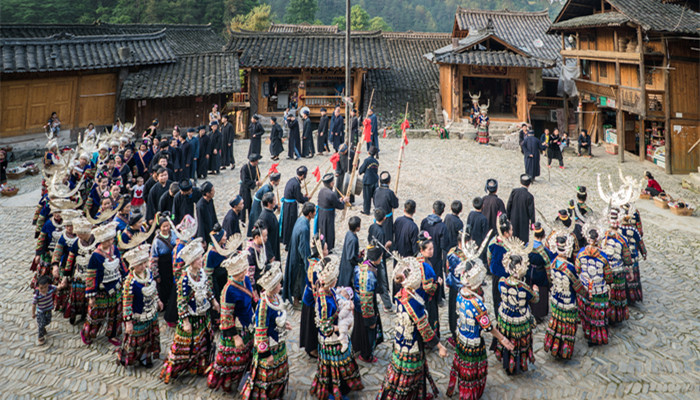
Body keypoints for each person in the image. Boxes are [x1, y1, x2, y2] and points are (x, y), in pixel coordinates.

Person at [377, 257, 447, 399]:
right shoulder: (413, 303)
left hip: (401, 342)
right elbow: (425, 329)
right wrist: (439, 346)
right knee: (410, 376)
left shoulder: (402, 294)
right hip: (412, 344)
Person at [446, 252, 514, 399]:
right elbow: (488, 327)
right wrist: (503, 339)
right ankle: (470, 394)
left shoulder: (461, 293)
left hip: (461, 337)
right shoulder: (477, 305)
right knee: (472, 371)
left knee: (462, 365)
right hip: (473, 343)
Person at [160, 238, 219, 383]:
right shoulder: (184, 280)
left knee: (204, 342)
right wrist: (185, 321)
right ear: (192, 261)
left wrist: (214, 301)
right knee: (185, 345)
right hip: (191, 318)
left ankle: (200, 367)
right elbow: (181, 302)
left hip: (203, 316)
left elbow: (207, 288)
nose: (201, 260)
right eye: (199, 259)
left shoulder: (201, 273)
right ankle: (174, 369)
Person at [311, 255, 364, 400]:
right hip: (331, 341)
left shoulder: (330, 292)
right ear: (329, 282)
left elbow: (338, 302)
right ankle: (333, 392)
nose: (336, 281)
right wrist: (339, 328)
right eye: (334, 279)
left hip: (338, 335)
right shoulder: (323, 301)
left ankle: (342, 389)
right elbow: (324, 327)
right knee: (334, 368)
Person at [240, 264, 291, 400]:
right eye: (279, 283)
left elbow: (275, 318)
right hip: (269, 346)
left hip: (278, 342)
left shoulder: (274, 298)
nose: (281, 285)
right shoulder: (263, 305)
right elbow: (261, 332)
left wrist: (284, 324)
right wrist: (266, 354)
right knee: (267, 375)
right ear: (273, 286)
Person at [207, 251, 255, 392]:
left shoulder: (245, 280)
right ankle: (230, 382)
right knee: (235, 359)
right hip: (237, 329)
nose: (242, 275)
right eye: (239, 273)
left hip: (248, 324)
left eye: (243, 271)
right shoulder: (228, 291)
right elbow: (226, 316)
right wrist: (235, 336)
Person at [494, 235, 539, 375]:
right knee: (519, 342)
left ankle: (507, 362)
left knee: (507, 338)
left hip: (505, 316)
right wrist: (536, 291)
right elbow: (534, 299)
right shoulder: (523, 287)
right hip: (520, 319)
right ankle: (519, 364)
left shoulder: (502, 281)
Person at [118, 244, 162, 368]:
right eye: (140, 265)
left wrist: (158, 300)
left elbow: (153, 289)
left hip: (151, 311)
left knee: (149, 337)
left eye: (144, 263)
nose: (143, 267)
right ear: (133, 266)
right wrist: (128, 322)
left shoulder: (149, 273)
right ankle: (129, 357)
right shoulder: (130, 282)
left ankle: (146, 358)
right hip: (138, 315)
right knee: (137, 339)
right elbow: (126, 303)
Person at [543, 235, 585, 360]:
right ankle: (564, 350)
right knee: (567, 325)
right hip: (568, 301)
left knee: (556, 322)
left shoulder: (553, 263)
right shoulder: (569, 268)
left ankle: (554, 346)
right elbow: (577, 287)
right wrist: (586, 293)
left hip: (556, 298)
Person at [80, 222, 122, 346]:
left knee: (116, 314)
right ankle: (88, 332)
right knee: (96, 314)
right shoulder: (96, 256)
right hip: (101, 290)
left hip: (116, 287)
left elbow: (121, 266)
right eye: (108, 240)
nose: (111, 242)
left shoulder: (115, 250)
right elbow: (91, 276)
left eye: (112, 239)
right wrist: (91, 295)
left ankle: (113, 334)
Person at [575, 223, 613, 345]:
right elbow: (608, 276)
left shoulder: (581, 253)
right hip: (599, 289)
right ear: (597, 239)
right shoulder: (603, 256)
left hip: (585, 287)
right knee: (598, 314)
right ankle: (597, 336)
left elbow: (577, 269)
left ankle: (587, 333)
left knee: (586, 311)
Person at [351, 245, 384, 363]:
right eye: (380, 256)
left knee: (359, 327)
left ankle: (356, 346)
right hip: (365, 305)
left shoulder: (362, 266)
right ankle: (366, 354)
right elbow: (366, 298)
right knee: (369, 330)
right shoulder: (369, 275)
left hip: (357, 302)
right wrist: (370, 318)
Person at [602, 208, 633, 324]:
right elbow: (627, 257)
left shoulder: (602, 238)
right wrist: (630, 271)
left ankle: (607, 315)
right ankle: (616, 317)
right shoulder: (622, 240)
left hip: (606, 271)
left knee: (608, 294)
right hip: (618, 270)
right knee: (617, 294)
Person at [300, 237, 329, 357]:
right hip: (312, 300)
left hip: (312, 297)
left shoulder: (317, 261)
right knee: (311, 326)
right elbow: (316, 287)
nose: (327, 251)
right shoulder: (315, 267)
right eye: (326, 249)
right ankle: (311, 348)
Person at [283, 202, 314, 308]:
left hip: (294, 252)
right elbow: (303, 248)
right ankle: (296, 301)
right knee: (298, 278)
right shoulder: (304, 228)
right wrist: (307, 263)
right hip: (298, 258)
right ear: (310, 214)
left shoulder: (301, 219)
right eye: (314, 211)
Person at [64, 217, 94, 325]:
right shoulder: (77, 243)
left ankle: (88, 316)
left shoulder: (97, 242)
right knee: (77, 298)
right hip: (79, 276)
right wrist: (66, 275)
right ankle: (74, 316)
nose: (78, 236)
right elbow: (70, 259)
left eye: (80, 234)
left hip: (92, 277)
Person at [420, 201, 450, 303]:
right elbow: (444, 245)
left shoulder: (424, 222)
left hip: (425, 254)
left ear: (433, 210)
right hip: (436, 255)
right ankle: (437, 298)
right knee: (436, 275)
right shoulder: (442, 226)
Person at [527, 222, 554, 322]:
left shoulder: (527, 246)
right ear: (543, 236)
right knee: (541, 293)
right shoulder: (544, 251)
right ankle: (538, 314)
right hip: (540, 273)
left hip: (529, 272)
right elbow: (548, 265)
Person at [367, 209, 393, 311]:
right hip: (378, 260)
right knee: (382, 283)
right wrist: (387, 246)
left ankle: (372, 299)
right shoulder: (381, 232)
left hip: (370, 256)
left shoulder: (372, 227)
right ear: (384, 218)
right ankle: (388, 305)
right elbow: (381, 249)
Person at [150, 215, 177, 312]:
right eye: (164, 226)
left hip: (173, 264)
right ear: (160, 227)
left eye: (168, 226)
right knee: (164, 287)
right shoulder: (157, 240)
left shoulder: (173, 234)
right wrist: (156, 274)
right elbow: (153, 258)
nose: (166, 228)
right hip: (163, 267)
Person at [621, 208, 646, 304]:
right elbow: (640, 241)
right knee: (633, 277)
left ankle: (624, 295)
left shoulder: (618, 229)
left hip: (623, 257)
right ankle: (632, 297)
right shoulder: (634, 230)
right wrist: (644, 253)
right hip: (633, 255)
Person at [315, 173, 347, 250]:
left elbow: (332, 202)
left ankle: (322, 243)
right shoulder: (331, 194)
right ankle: (327, 247)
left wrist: (339, 200)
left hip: (321, 213)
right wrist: (344, 201)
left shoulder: (321, 191)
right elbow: (339, 206)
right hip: (328, 215)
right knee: (328, 231)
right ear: (331, 183)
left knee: (322, 229)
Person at [487, 215, 511, 316]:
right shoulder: (510, 246)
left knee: (496, 297)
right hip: (506, 275)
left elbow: (489, 258)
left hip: (496, 274)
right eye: (511, 230)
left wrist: (492, 268)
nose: (512, 232)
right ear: (505, 233)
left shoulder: (492, 242)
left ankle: (498, 317)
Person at [280, 167, 309, 248]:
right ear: (303, 175)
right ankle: (289, 244)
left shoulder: (292, 180)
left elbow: (296, 194)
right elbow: (299, 199)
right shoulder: (296, 184)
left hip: (287, 205)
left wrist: (302, 196)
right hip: (290, 207)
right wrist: (306, 199)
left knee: (287, 223)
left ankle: (287, 241)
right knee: (291, 224)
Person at [248, 172, 280, 237]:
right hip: (258, 205)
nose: (278, 184)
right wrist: (276, 206)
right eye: (277, 182)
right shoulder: (267, 190)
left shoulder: (268, 186)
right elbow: (268, 203)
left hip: (259, 203)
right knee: (257, 219)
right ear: (273, 182)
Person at [506, 174, 536, 243]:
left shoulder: (514, 192)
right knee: (523, 240)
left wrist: (508, 216)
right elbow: (531, 211)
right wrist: (532, 222)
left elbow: (509, 204)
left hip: (514, 218)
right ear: (529, 184)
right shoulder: (529, 196)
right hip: (524, 220)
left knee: (513, 237)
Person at [373, 171, 399, 243]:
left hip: (377, 216)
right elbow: (395, 205)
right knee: (387, 237)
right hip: (386, 218)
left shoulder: (376, 190)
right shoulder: (389, 193)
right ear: (389, 181)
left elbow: (374, 203)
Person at [338, 216, 362, 288]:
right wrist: (359, 260)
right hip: (349, 267)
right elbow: (351, 257)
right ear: (357, 227)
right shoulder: (353, 239)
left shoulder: (349, 233)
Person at [33, 275, 57, 345]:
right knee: (41, 324)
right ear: (38, 287)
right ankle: (40, 337)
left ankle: (43, 327)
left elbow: (57, 288)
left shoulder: (50, 288)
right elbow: (34, 304)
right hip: (41, 311)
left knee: (48, 321)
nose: (43, 289)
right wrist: (33, 313)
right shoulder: (37, 295)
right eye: (41, 288)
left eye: (45, 287)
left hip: (48, 309)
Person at [466, 197, 490, 266]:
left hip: (471, 243)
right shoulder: (483, 219)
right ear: (483, 205)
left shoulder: (471, 214)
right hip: (479, 245)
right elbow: (485, 235)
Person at [258, 193, 280, 262]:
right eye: (274, 200)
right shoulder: (264, 217)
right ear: (269, 203)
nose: (275, 202)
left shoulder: (270, 211)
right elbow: (264, 238)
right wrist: (270, 255)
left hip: (275, 243)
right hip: (271, 247)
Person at [239, 154, 261, 224]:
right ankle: (243, 220)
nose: (257, 162)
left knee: (251, 204)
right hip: (245, 188)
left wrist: (258, 182)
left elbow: (258, 175)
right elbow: (244, 180)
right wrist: (254, 183)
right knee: (244, 204)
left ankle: (251, 218)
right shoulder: (245, 168)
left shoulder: (256, 167)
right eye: (257, 161)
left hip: (252, 188)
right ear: (253, 161)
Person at [358, 146, 379, 215]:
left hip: (368, 181)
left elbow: (361, 170)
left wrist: (360, 171)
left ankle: (366, 211)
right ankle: (377, 210)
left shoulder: (367, 160)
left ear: (368, 153)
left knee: (367, 197)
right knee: (375, 197)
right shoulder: (376, 162)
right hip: (375, 180)